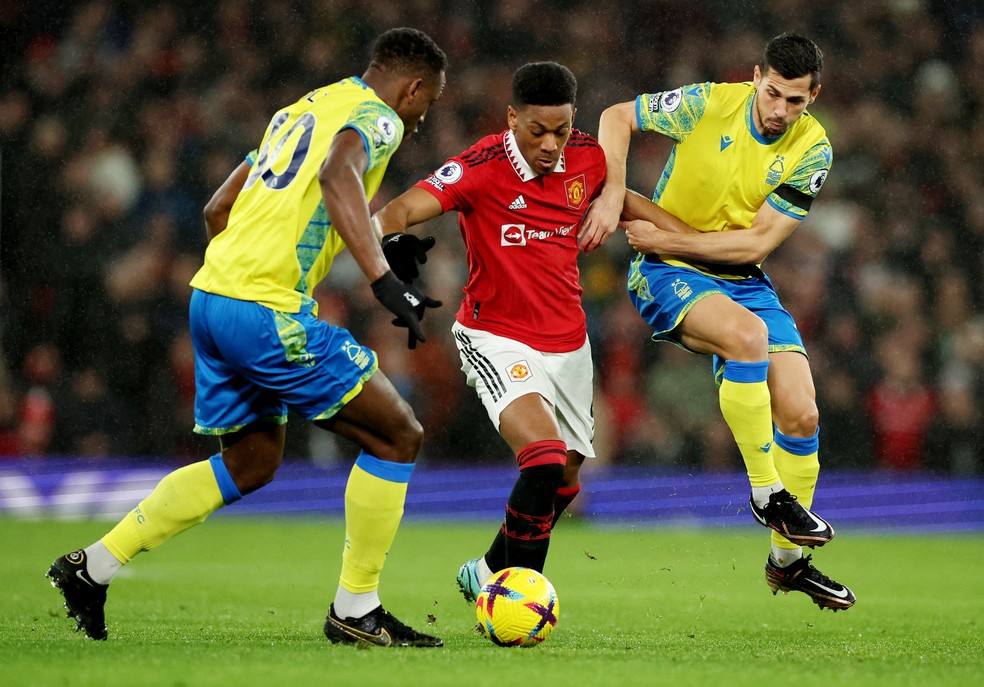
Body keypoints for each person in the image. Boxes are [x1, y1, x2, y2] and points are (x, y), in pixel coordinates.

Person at [46, 27, 449, 646]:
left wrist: (241, 281)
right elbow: (338, 175)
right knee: (399, 434)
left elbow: (218, 208)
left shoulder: (301, 110)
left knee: (251, 461)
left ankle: (92, 567)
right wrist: (383, 281)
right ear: (413, 88)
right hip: (263, 309)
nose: (421, 121)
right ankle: (356, 608)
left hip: (212, 298)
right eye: (428, 104)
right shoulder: (380, 118)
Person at [580, 31, 855, 611]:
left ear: (814, 96)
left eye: (795, 101)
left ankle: (787, 563)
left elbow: (755, 245)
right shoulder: (706, 103)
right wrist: (611, 192)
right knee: (749, 338)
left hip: (737, 273)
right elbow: (615, 116)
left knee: (802, 413)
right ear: (755, 77)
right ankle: (766, 492)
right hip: (665, 273)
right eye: (772, 94)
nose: (780, 111)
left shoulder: (813, 148)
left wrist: (668, 236)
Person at [373, 62, 612, 604]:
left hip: (568, 341)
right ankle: (514, 601)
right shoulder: (479, 167)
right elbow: (398, 210)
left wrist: (631, 207)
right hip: (496, 335)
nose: (550, 144)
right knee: (544, 459)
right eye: (537, 131)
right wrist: (393, 251)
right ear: (512, 119)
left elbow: (618, 197)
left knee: (564, 480)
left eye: (561, 130)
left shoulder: (588, 156)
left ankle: (485, 570)